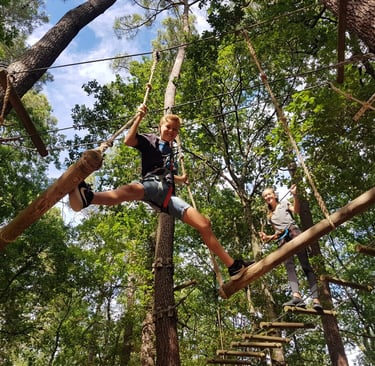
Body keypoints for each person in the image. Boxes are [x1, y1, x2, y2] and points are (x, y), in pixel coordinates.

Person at [69, 104, 253, 280]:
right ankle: (89, 198)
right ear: (160, 126)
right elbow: (128, 140)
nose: (171, 131)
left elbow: (168, 172)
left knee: (204, 224)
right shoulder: (150, 140)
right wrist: (139, 117)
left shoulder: (170, 151)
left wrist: (180, 179)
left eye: (175, 129)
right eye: (168, 127)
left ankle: (233, 266)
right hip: (152, 184)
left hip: (166, 196)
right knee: (130, 190)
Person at [258, 184, 323, 310]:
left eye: (269, 194)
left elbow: (296, 210)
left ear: (274, 195)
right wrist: (267, 237)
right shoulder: (270, 216)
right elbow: (277, 233)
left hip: (294, 232)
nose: (267, 197)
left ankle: (316, 300)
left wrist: (295, 195)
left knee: (305, 265)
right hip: (283, 238)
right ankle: (296, 296)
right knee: (289, 266)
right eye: (265, 196)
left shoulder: (284, 203)